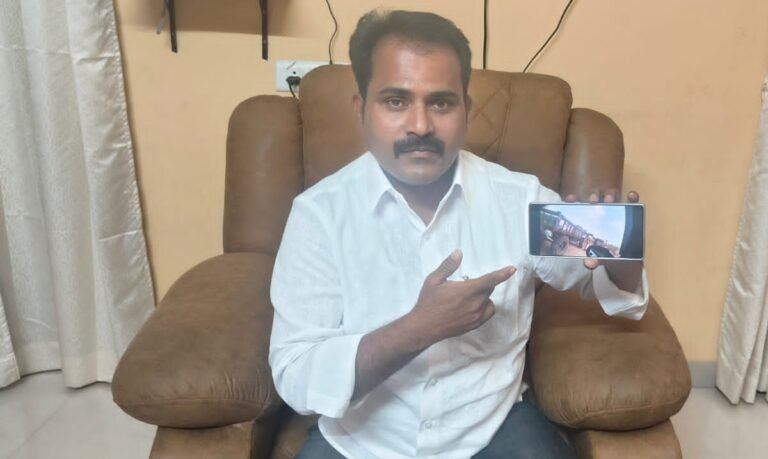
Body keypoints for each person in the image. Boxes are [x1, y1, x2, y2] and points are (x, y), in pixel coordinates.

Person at [269, 9, 649, 459]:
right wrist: (418, 329)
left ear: (466, 110)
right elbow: (296, 374)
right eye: (396, 101)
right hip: (361, 441)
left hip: (490, 429)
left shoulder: (519, 200)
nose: (420, 126)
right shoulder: (318, 215)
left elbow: (608, 285)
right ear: (361, 110)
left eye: (441, 103)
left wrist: (623, 252)